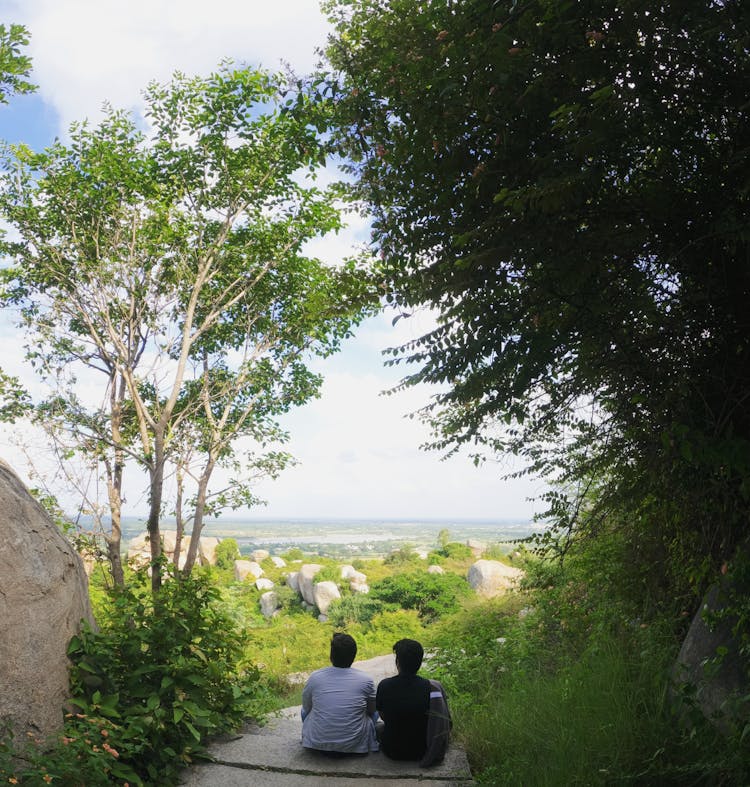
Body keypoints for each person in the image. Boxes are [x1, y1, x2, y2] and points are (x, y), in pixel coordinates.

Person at [376, 638, 451, 765]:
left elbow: (382, 716)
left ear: (397, 662)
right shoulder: (432, 687)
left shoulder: (384, 685)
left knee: (377, 727)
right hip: (422, 750)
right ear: (420, 662)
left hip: (392, 751)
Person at [301, 632, 379, 755]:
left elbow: (306, 707)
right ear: (353, 656)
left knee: (304, 711)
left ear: (331, 656)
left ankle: (315, 736)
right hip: (354, 746)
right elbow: (372, 709)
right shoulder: (366, 680)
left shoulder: (315, 677)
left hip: (316, 746)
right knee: (375, 712)